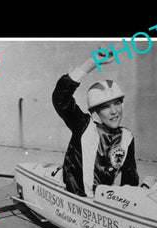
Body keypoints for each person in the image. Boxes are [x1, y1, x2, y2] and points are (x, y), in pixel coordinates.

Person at [52, 52, 139, 197]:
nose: (114, 112)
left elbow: (130, 178)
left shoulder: (127, 137)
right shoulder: (84, 127)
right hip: (76, 198)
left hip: (102, 203)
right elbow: (61, 97)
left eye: (117, 104)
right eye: (106, 107)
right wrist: (91, 63)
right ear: (95, 112)